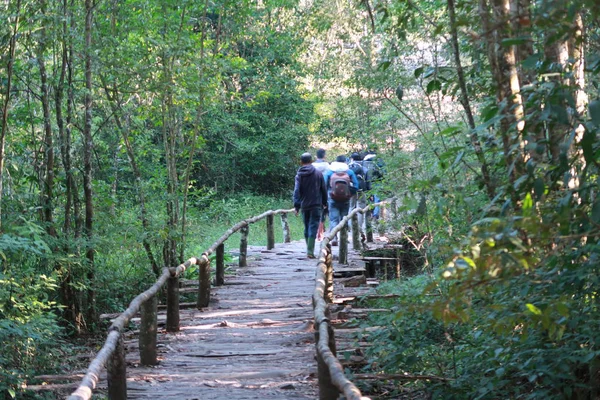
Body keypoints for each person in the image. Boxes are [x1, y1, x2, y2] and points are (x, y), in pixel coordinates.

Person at [293, 152, 327, 258]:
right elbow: (323, 189)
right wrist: (325, 202)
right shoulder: (318, 173)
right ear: (311, 161)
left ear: (301, 162)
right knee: (313, 227)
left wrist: (297, 205)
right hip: (316, 204)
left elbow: (296, 191)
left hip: (304, 205)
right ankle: (310, 251)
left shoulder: (299, 175)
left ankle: (309, 249)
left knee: (307, 226)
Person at [323, 155, 359, 246]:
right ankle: (344, 238)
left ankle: (334, 237)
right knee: (344, 218)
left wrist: (328, 194)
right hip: (345, 199)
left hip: (332, 198)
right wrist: (350, 193)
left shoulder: (330, 172)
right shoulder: (349, 172)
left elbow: (323, 185)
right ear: (344, 162)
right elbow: (356, 185)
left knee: (333, 219)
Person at [312, 148, 330, 241]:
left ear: (316, 156)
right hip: (324, 191)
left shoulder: (312, 166)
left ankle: (316, 233)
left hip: (312, 191)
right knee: (323, 211)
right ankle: (320, 233)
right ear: (324, 156)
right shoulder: (327, 166)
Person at [348, 152, 367, 234]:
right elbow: (366, 179)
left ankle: (349, 227)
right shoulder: (362, 167)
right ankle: (359, 228)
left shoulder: (347, 167)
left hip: (351, 189)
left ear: (351, 158)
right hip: (361, 189)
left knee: (351, 207)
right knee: (361, 208)